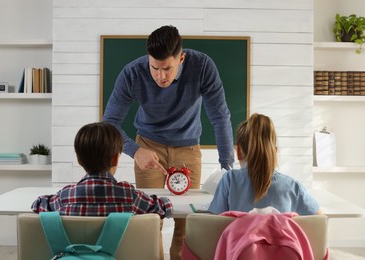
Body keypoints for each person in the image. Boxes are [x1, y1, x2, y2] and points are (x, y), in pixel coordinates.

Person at [102, 25, 234, 259]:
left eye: (167, 68)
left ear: (181, 58)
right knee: (151, 222)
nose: (160, 76)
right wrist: (134, 151)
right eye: (154, 68)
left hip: (188, 148)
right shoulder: (132, 73)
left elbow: (220, 116)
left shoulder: (203, 66)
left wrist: (227, 167)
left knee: (186, 225)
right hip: (147, 146)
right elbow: (109, 122)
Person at [31, 122, 173, 219]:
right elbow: (164, 207)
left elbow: (38, 204)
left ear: (79, 160)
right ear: (115, 159)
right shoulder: (130, 196)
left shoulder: (65, 196)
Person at [209, 113, 322, 215]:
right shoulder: (292, 186)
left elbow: (215, 223)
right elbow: (319, 220)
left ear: (238, 152)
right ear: (275, 151)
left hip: (240, 239)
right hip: (279, 239)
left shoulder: (229, 180)